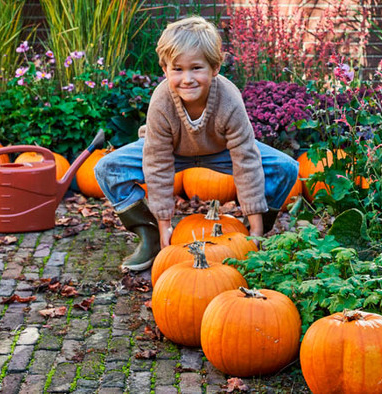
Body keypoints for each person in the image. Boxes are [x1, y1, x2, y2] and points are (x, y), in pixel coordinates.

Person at [95, 16, 298, 272]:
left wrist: (256, 231)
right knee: (107, 169)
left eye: (196, 68)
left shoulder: (229, 99)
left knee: (285, 167)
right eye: (177, 69)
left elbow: (246, 160)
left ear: (215, 68)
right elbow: (157, 164)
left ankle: (249, 234)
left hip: (221, 150)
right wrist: (164, 226)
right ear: (165, 70)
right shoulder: (162, 101)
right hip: (172, 149)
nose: (187, 78)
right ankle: (150, 237)